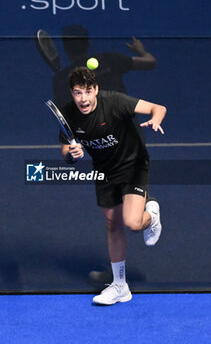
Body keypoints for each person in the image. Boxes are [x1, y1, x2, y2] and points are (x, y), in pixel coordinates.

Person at [60, 67, 166, 305]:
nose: (84, 99)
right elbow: (66, 149)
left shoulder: (115, 102)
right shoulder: (68, 114)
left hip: (133, 164)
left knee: (132, 223)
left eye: (88, 91)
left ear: (96, 89)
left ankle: (152, 215)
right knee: (112, 223)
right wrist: (72, 154)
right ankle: (120, 286)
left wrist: (156, 119)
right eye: (78, 93)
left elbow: (157, 108)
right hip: (103, 169)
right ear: (72, 93)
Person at [53, 24, 156, 107]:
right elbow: (150, 62)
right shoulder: (109, 59)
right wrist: (141, 51)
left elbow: (64, 113)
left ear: (65, 48)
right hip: (124, 128)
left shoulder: (61, 79)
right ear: (88, 43)